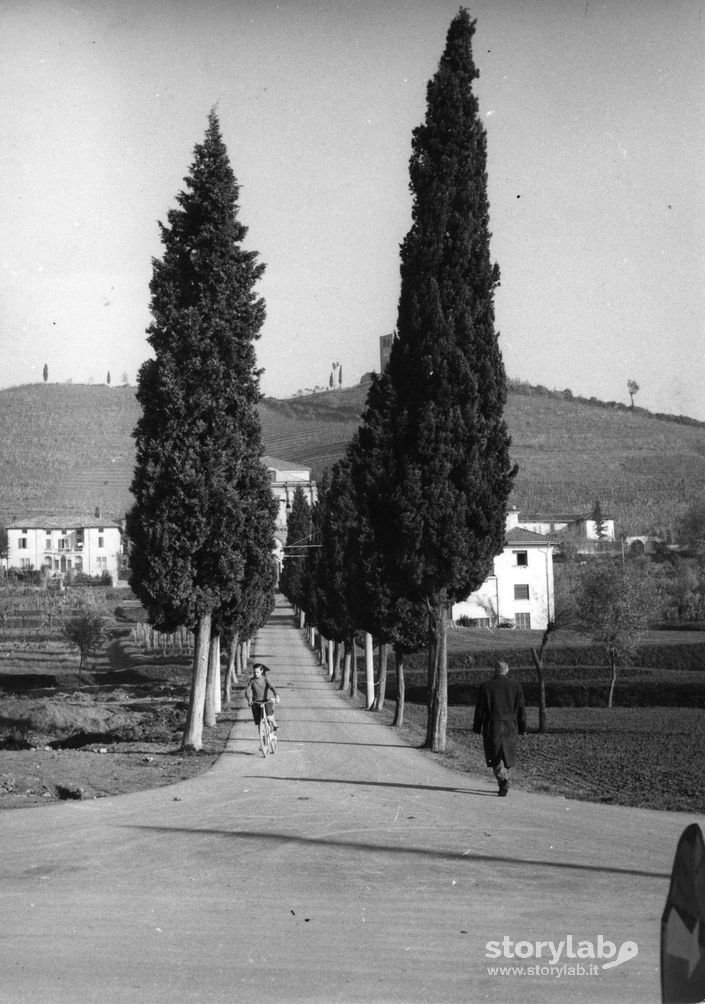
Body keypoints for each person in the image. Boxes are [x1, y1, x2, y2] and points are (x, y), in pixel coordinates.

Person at [473, 660, 527, 797]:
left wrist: (477, 726)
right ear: (507, 669)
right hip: (511, 725)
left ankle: (502, 780)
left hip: (492, 724)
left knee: (494, 755)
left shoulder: (486, 686)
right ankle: (505, 780)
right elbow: (521, 709)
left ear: (495, 670)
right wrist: (523, 727)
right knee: (508, 756)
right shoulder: (516, 685)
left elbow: (480, 709)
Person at [245, 662, 280, 737]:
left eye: (257, 672)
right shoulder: (251, 681)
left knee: (269, 717)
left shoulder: (265, 679)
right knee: (259, 723)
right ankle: (262, 741)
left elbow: (272, 687)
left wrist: (276, 695)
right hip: (256, 702)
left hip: (266, 701)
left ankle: (274, 724)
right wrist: (249, 699)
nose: (255, 674)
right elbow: (247, 691)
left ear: (261, 671)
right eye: (254, 672)